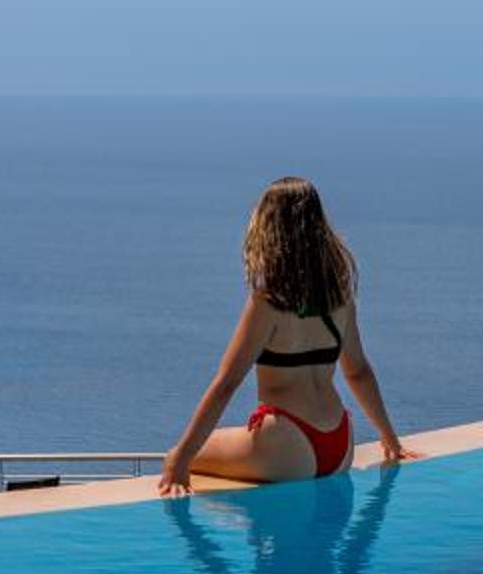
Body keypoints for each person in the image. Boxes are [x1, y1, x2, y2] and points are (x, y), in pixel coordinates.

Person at [158, 176, 416, 494]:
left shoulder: (268, 302)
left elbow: (227, 384)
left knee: (176, 456)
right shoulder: (339, 297)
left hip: (286, 446)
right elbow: (358, 372)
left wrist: (180, 460)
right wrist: (390, 439)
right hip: (339, 442)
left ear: (268, 228)